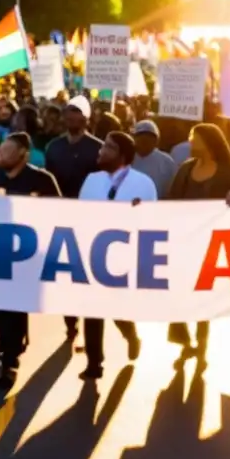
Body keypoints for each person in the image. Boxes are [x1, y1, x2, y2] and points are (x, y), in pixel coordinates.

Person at [0, 132, 61, 388]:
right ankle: (9, 339)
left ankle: (10, 361)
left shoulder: (42, 179)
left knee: (14, 307)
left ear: (22, 155)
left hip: (29, 257)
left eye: (5, 151)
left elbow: (61, 214)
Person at [168, 123, 230, 369]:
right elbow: (170, 200)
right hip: (185, 242)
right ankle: (184, 340)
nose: (190, 143)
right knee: (180, 294)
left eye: (195, 139)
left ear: (209, 142)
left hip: (215, 244)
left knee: (205, 295)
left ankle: (201, 346)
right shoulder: (185, 169)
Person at [77, 131, 151, 379]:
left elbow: (154, 222)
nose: (101, 151)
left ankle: (130, 333)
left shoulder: (143, 183)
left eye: (108, 148)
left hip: (124, 257)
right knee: (92, 309)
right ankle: (94, 362)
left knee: (117, 307)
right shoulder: (91, 180)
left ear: (122, 155)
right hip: (93, 254)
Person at [44, 96, 102, 341]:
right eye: (68, 113)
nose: (71, 117)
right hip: (61, 219)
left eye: (76, 113)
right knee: (64, 277)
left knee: (90, 276)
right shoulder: (54, 147)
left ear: (86, 118)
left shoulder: (98, 147)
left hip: (91, 221)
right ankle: (70, 324)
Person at [132, 119, 177, 198]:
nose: (144, 139)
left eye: (150, 136)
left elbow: (172, 190)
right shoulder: (125, 158)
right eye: (140, 135)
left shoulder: (167, 162)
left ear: (157, 140)